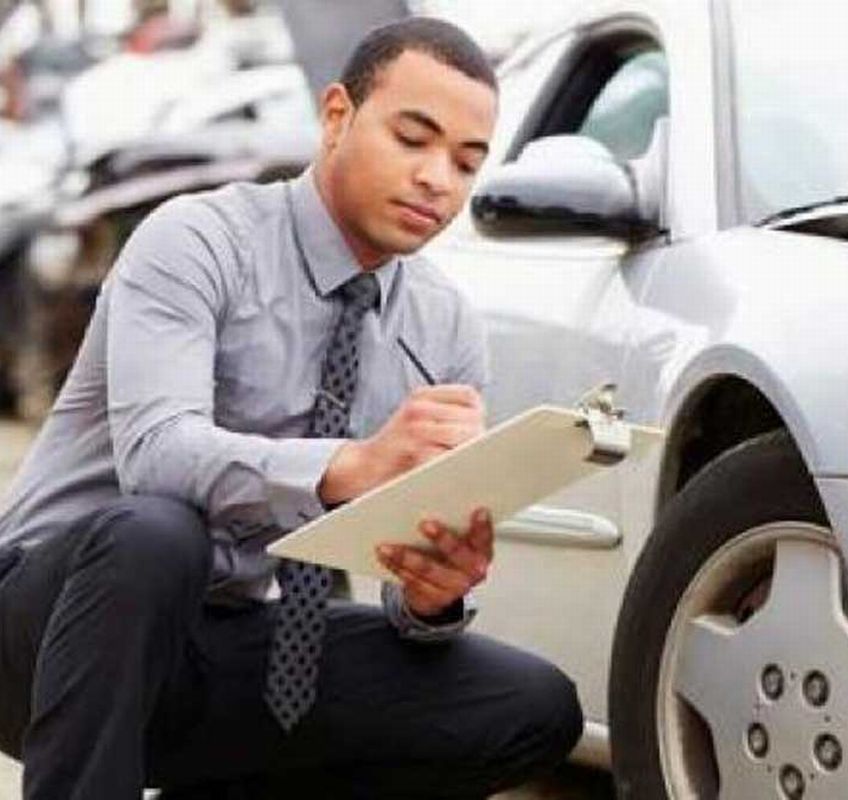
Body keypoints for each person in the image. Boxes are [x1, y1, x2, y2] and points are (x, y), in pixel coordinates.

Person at [0, 17, 583, 800]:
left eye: (465, 161)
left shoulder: (443, 326)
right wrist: (354, 465)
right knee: (160, 535)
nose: (437, 178)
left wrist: (432, 594)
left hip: (227, 639)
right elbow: (157, 457)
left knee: (530, 705)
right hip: (46, 629)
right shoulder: (197, 240)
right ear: (337, 115)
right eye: (413, 138)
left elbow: (408, 576)